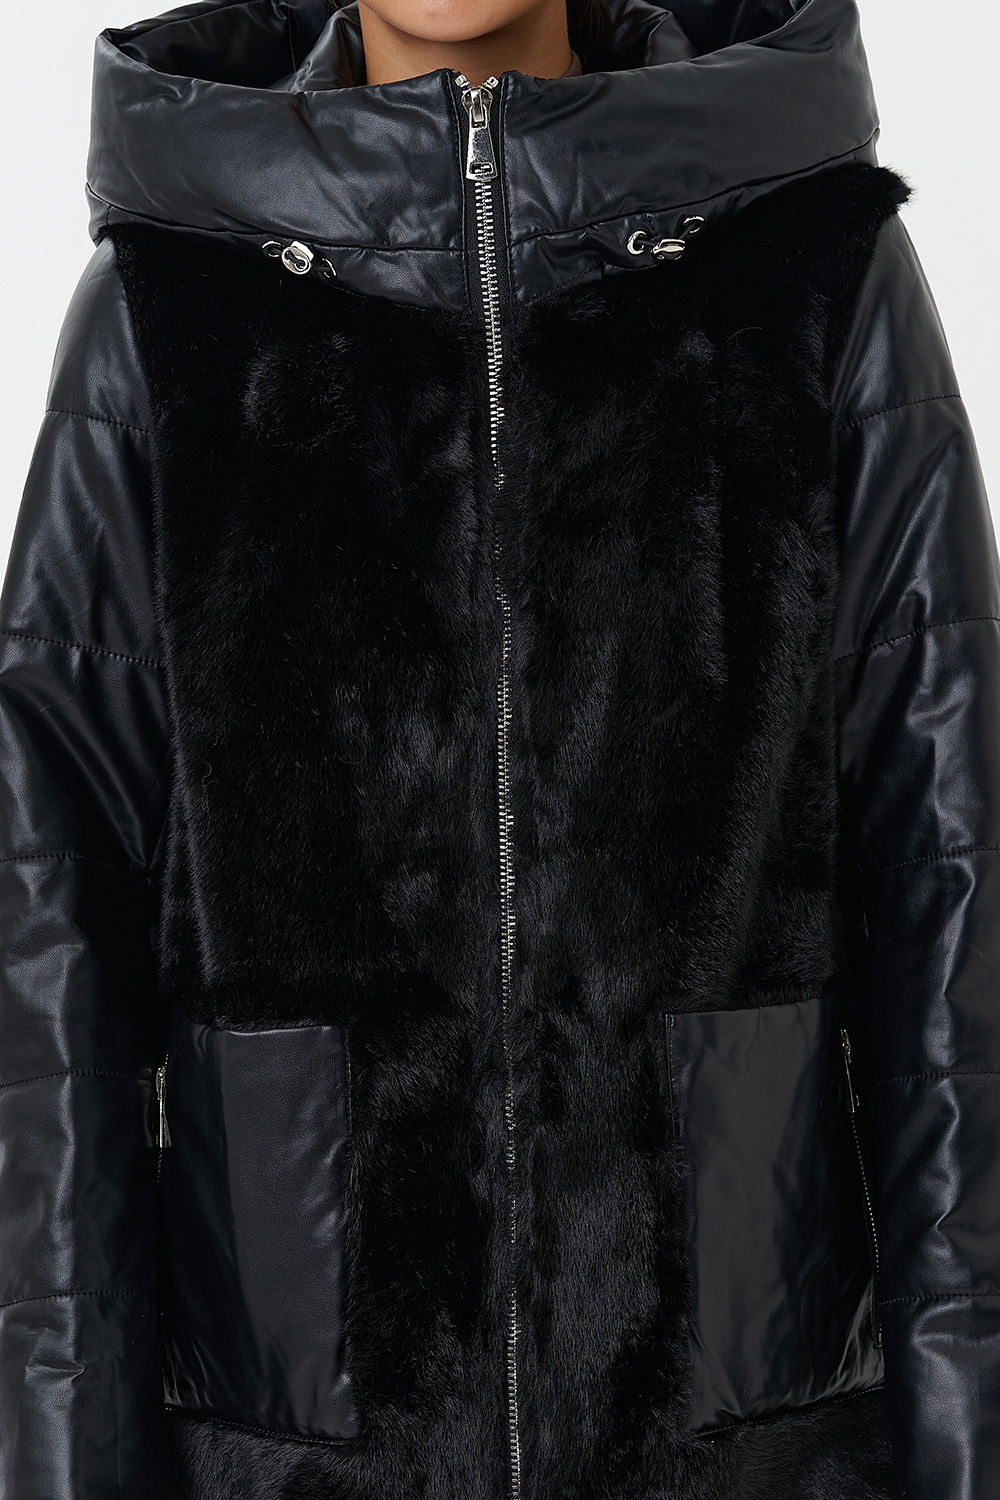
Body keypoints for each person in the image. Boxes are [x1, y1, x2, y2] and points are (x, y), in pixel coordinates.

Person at [0, 0, 997, 1495]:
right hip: (295, 1449)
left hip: (747, 1441)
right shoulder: (167, 304)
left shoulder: (813, 268)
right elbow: (47, 958)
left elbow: (955, 901)